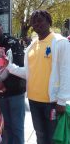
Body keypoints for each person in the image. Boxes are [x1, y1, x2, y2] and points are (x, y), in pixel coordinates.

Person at [6, 10, 70, 144]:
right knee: (40, 136)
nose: (36, 23)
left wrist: (62, 100)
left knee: (53, 138)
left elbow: (66, 72)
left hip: (52, 102)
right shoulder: (32, 46)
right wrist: (9, 66)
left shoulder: (60, 42)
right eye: (33, 22)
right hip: (33, 100)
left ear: (49, 21)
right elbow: (29, 73)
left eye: (40, 20)